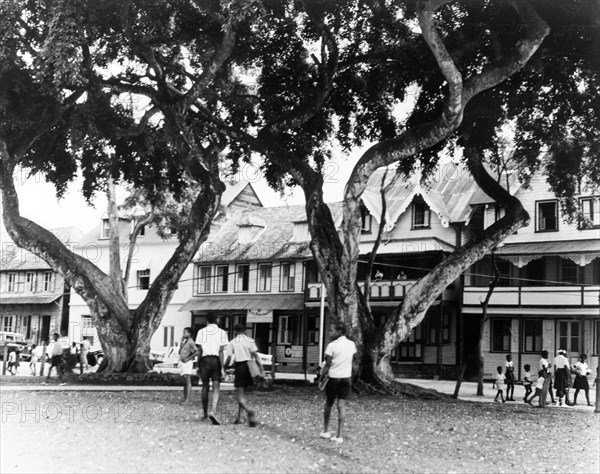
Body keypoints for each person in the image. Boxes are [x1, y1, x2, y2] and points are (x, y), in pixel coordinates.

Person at [318, 322, 357, 444]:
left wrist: (320, 379)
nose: (330, 333)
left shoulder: (332, 346)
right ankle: (339, 435)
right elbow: (353, 360)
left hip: (334, 378)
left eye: (332, 330)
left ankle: (326, 430)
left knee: (329, 403)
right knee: (341, 405)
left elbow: (327, 365)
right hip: (346, 378)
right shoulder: (351, 344)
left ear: (339, 332)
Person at [224, 323, 265, 427]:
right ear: (245, 331)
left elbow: (228, 357)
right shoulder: (250, 340)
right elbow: (256, 355)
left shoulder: (232, 342)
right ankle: (240, 417)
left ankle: (249, 410)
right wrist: (261, 369)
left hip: (240, 366)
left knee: (239, 394)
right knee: (243, 394)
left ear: (235, 332)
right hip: (249, 367)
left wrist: (224, 367)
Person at [195, 315, 229, 424]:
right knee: (216, 386)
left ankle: (205, 414)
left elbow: (199, 350)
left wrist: (197, 365)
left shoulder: (201, 332)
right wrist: (222, 367)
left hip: (204, 360)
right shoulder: (222, 332)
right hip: (216, 360)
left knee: (205, 386)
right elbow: (221, 351)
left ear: (207, 321)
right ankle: (213, 410)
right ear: (217, 320)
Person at [179, 328, 199, 405]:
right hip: (182, 362)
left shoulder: (191, 342)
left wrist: (188, 358)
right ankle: (185, 398)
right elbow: (179, 351)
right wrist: (181, 343)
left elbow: (197, 351)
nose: (183, 334)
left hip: (187, 362)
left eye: (185, 333)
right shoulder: (185, 342)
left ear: (189, 334)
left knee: (188, 380)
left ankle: (188, 400)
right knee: (185, 381)